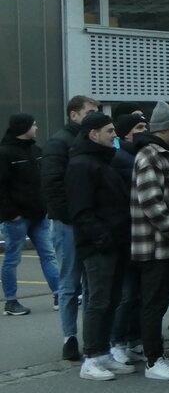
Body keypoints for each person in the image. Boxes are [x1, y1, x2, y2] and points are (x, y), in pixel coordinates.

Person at [66, 113, 135, 381]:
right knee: (99, 300)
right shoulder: (82, 165)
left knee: (112, 299)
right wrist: (102, 239)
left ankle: (103, 352)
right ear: (93, 134)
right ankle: (92, 357)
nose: (114, 136)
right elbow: (81, 211)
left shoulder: (102, 161)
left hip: (114, 242)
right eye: (109, 131)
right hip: (99, 246)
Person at [130, 102, 169, 381]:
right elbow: (151, 202)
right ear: (166, 129)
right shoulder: (150, 156)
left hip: (163, 245)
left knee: (158, 303)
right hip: (155, 246)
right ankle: (153, 361)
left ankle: (158, 357)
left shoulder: (161, 153)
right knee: (154, 305)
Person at [42, 95, 99, 358]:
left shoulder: (91, 141)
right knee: (69, 282)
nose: (94, 115)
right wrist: (70, 216)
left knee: (91, 281)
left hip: (88, 220)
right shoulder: (59, 143)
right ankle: (69, 337)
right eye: (90, 112)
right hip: (68, 223)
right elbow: (53, 184)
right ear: (73, 115)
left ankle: (92, 337)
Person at [0, 113, 61, 316]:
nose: (37, 128)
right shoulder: (5, 153)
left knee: (48, 254)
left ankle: (60, 294)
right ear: (23, 127)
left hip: (39, 214)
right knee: (12, 258)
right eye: (33, 125)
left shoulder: (36, 150)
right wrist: (11, 213)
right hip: (17, 217)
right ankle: (11, 301)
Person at [108, 113, 149, 367]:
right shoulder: (122, 158)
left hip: (134, 234)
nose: (144, 130)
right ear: (125, 133)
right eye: (139, 127)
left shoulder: (134, 155)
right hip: (126, 234)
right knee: (126, 294)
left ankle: (132, 339)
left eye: (146, 126)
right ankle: (117, 341)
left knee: (135, 294)